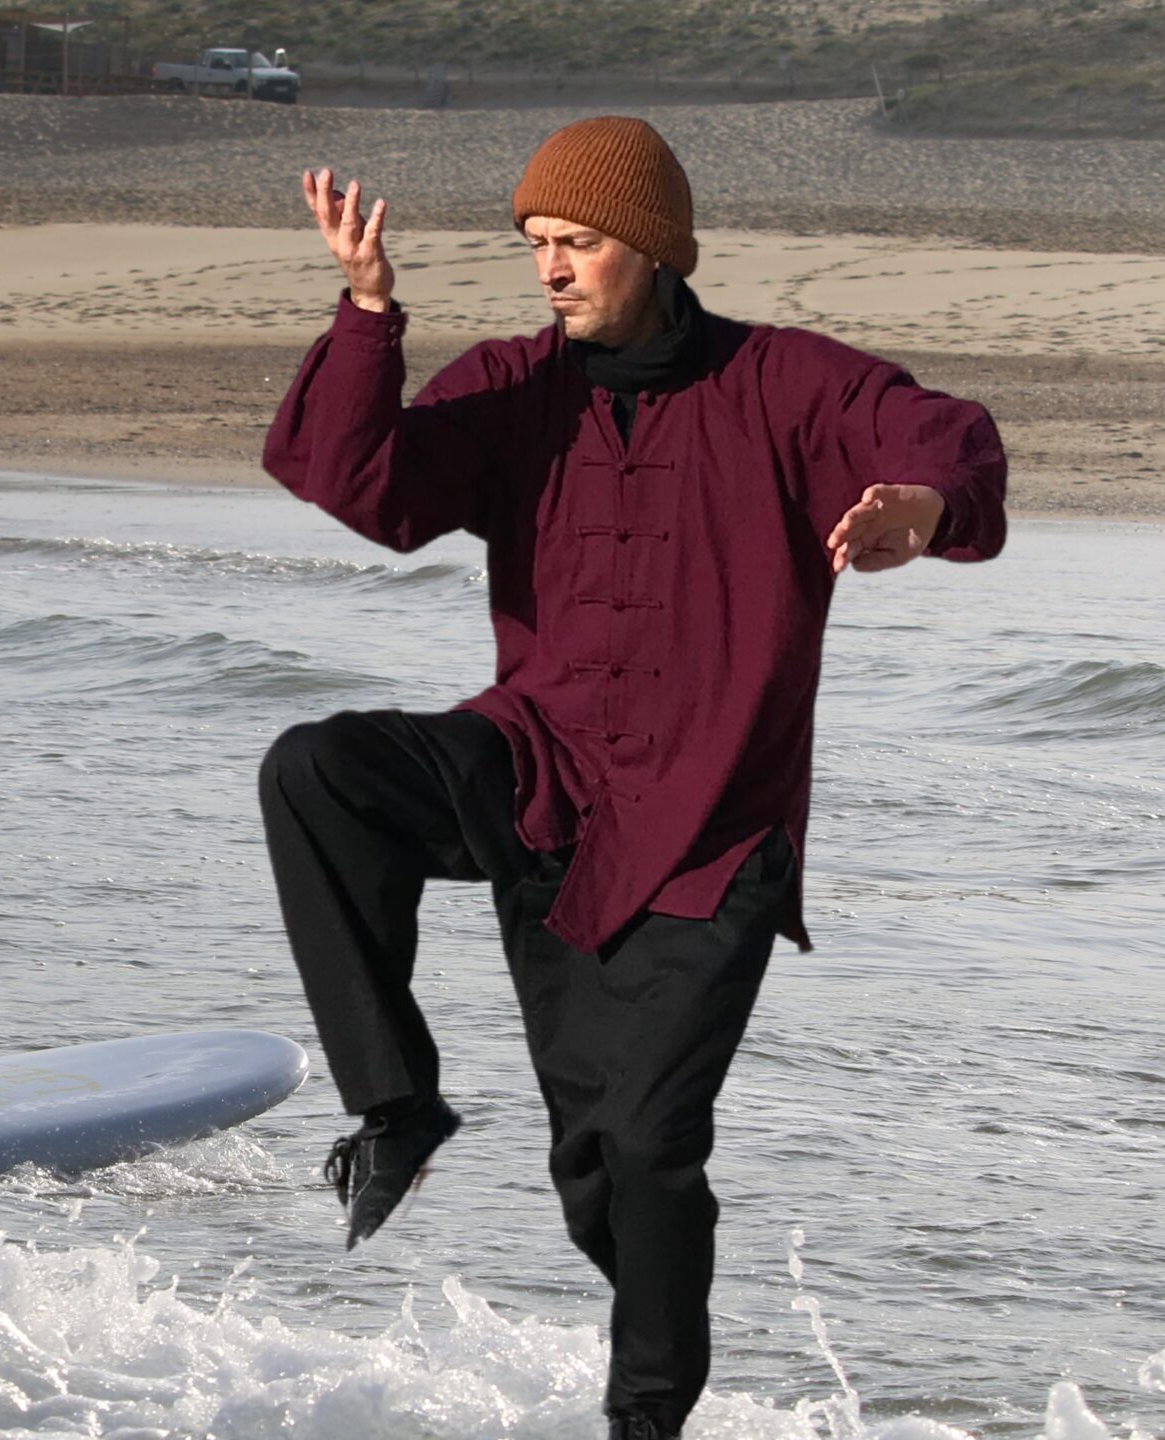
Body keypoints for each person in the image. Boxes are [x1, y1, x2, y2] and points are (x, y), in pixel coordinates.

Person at [257, 118, 1005, 1439]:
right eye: (537, 243)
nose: (551, 268)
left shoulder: (783, 384)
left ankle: (647, 1421)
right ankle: (397, 1103)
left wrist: (924, 508)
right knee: (316, 771)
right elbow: (364, 486)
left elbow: (945, 432)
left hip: (711, 830)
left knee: (631, 1155)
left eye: (580, 243)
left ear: (652, 248)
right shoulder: (513, 385)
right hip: (536, 777)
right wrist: (368, 314)